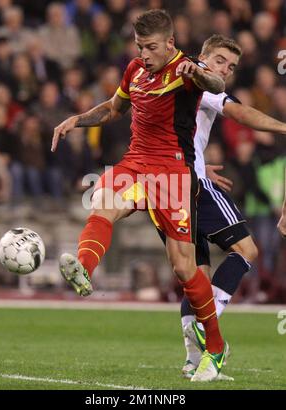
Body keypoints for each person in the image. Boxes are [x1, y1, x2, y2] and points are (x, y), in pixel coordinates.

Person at [51, 9, 227, 382]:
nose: (144, 54)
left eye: (149, 47)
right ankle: (84, 268)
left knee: (184, 268)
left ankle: (215, 346)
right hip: (136, 163)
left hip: (173, 174)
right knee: (103, 199)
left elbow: (215, 84)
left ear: (169, 43)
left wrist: (198, 72)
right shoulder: (134, 70)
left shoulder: (187, 69)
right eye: (138, 46)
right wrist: (76, 120)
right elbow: (115, 109)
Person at [165, 34, 286, 378]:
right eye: (219, 60)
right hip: (194, 184)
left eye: (231, 66)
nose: (224, 70)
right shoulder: (201, 78)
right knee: (247, 250)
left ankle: (193, 362)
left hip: (169, 187)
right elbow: (240, 112)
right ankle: (208, 322)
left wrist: (197, 159)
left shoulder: (173, 76)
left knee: (195, 275)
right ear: (203, 55)